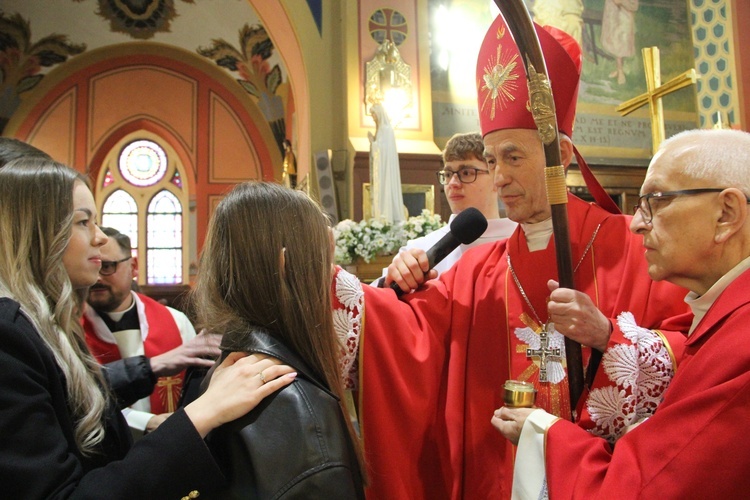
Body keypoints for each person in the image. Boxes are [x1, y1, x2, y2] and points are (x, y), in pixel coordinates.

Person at [332, 18, 692, 499]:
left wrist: (609, 337)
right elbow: (405, 342)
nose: (498, 177)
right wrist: (369, 290)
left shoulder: (636, 246)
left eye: (513, 157)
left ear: (561, 153)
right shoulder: (479, 271)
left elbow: (697, 357)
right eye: (492, 159)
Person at [0, 158, 297, 498]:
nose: (99, 237)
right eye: (83, 222)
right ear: (36, 234)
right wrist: (200, 414)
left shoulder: (47, 320)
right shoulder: (7, 336)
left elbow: (70, 397)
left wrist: (154, 366)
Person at [493, 128, 750, 498]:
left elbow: (640, 488)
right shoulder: (723, 314)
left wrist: (543, 432)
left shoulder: (740, 344)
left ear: (726, 213)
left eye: (656, 201)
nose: (637, 222)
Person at [193, 181, 366, 497]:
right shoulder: (303, 418)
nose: (332, 276)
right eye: (323, 261)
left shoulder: (231, 367)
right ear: (286, 266)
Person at [83, 227, 221, 433]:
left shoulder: (176, 321)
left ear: (133, 266)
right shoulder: (70, 329)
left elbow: (201, 392)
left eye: (107, 266)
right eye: (92, 266)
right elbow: (77, 403)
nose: (97, 278)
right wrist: (144, 422)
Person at [377, 132, 517, 279]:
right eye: (448, 174)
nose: (452, 184)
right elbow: (377, 296)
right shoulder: (419, 251)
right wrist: (392, 281)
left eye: (466, 173)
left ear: (496, 178)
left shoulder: (521, 240)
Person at [369, 102, 405, 223]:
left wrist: (373, 143)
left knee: (386, 189)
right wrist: (373, 142)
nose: (373, 117)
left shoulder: (386, 129)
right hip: (381, 168)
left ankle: (388, 217)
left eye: (373, 114)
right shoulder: (380, 130)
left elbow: (384, 150)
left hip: (386, 168)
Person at [601, 0, 639, 85]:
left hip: (625, 14)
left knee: (623, 41)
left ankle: (620, 71)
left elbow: (633, 5)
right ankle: (619, 69)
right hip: (614, 13)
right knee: (616, 41)